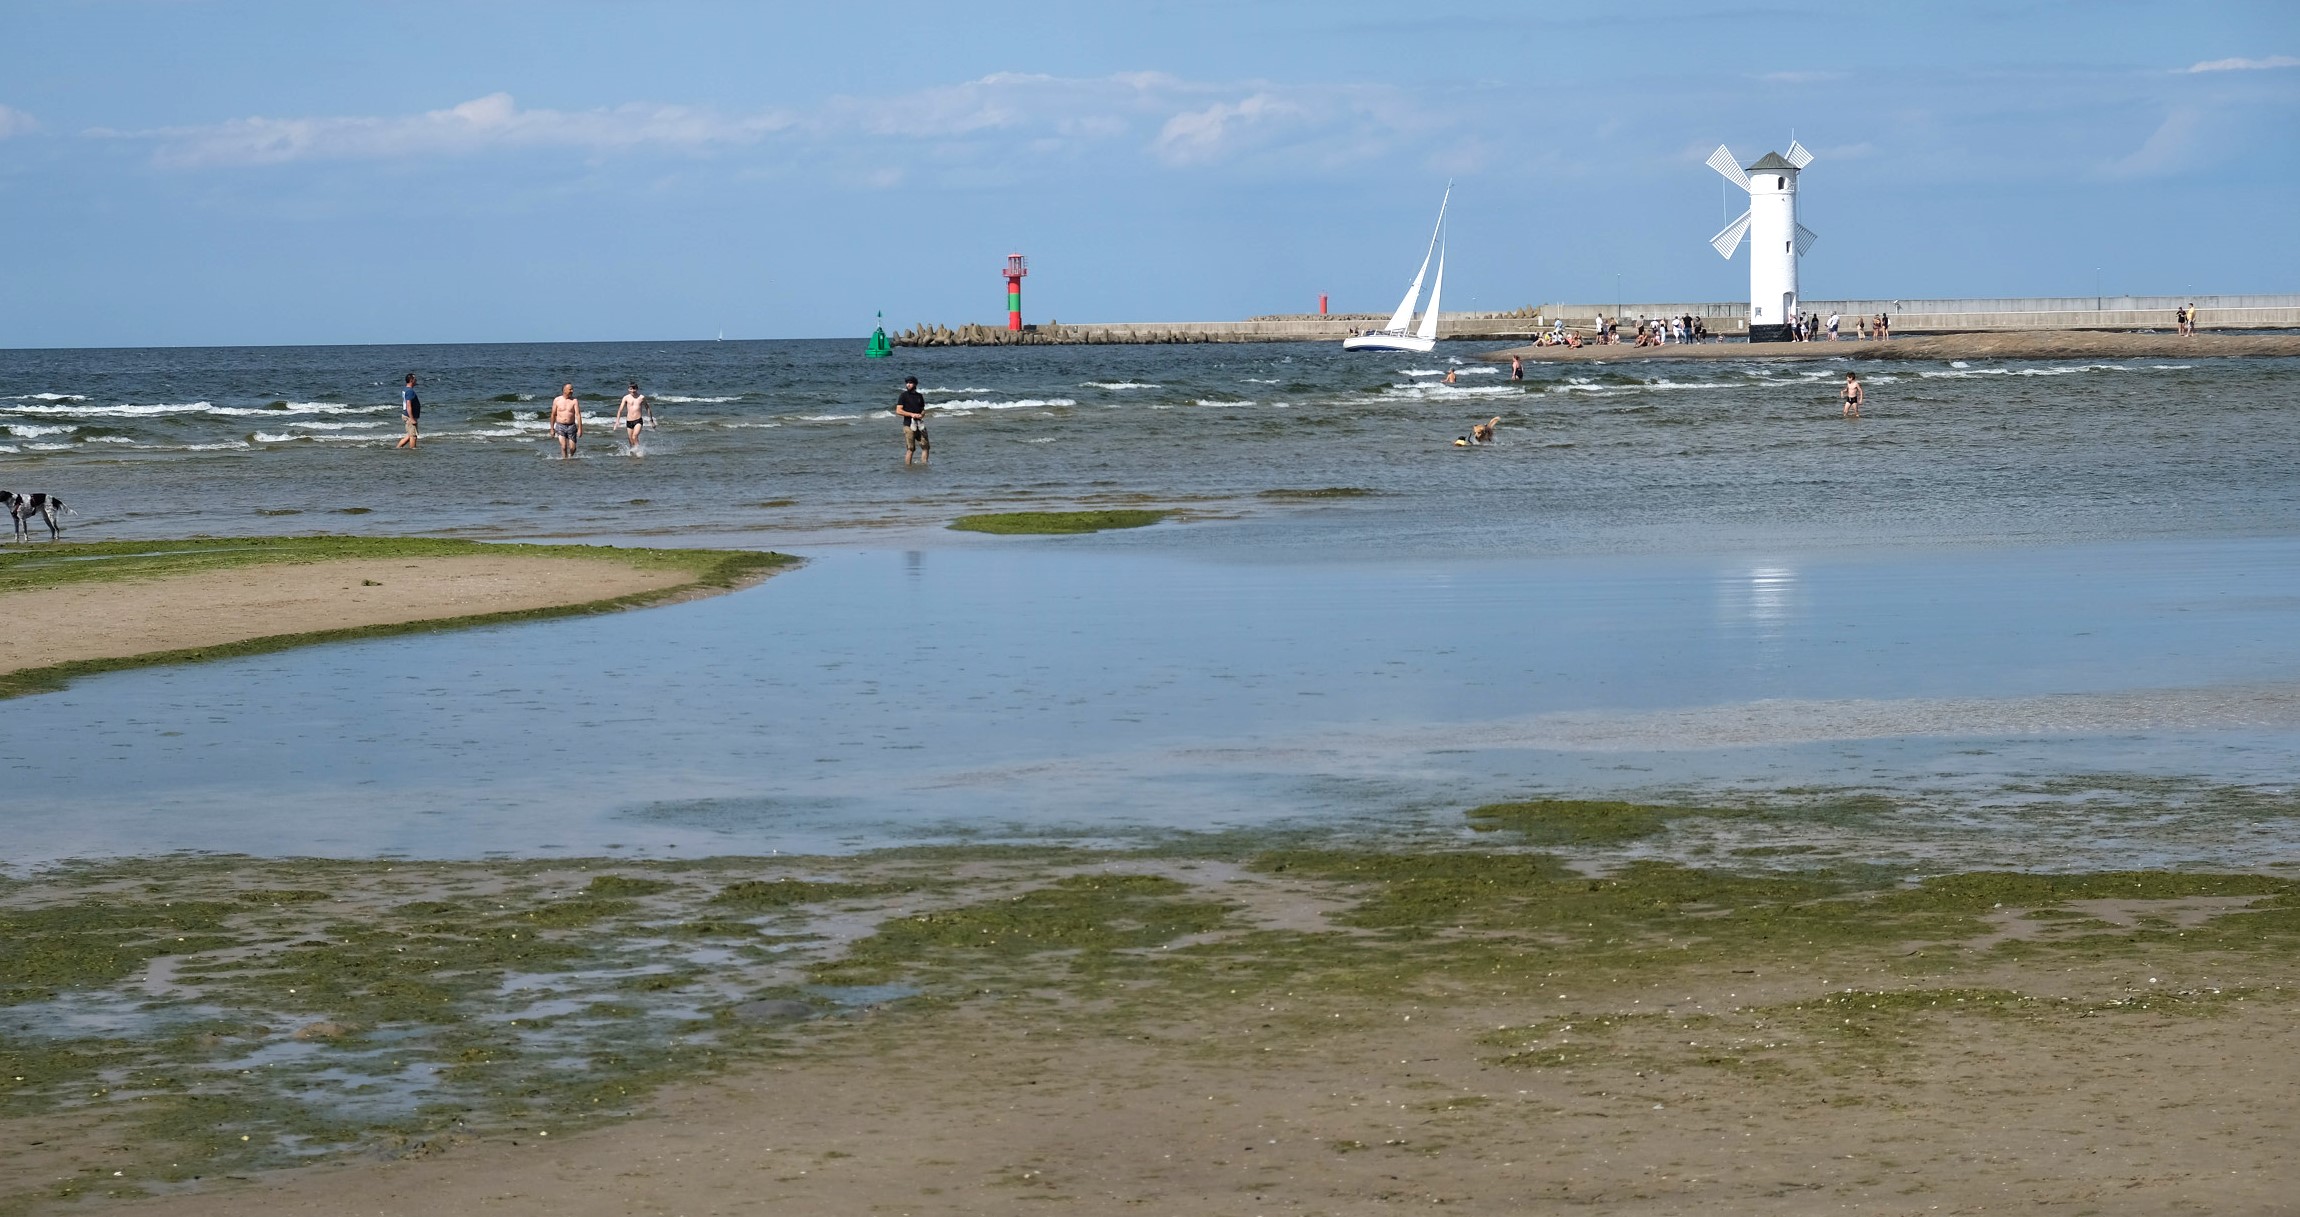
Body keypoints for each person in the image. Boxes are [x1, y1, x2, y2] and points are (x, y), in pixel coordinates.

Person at [894, 375, 929, 466]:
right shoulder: (903, 396)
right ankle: (908, 467)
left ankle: (924, 465)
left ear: (915, 384)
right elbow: (898, 410)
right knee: (911, 448)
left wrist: (921, 414)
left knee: (926, 447)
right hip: (908, 425)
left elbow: (922, 409)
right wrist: (912, 414)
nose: (908, 385)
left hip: (920, 424)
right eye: (907, 383)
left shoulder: (919, 396)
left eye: (910, 383)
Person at [616, 382, 651, 456]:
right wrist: (617, 422)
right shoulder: (626, 398)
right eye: (631, 389)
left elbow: (647, 407)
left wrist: (651, 420)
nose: (632, 390)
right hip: (629, 421)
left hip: (638, 420)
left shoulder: (641, 397)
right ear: (628, 389)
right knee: (630, 439)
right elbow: (620, 410)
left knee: (634, 436)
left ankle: (639, 452)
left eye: (634, 389)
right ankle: (632, 453)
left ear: (637, 389)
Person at [549, 383, 581, 458]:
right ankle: (565, 460)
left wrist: (580, 429)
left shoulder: (574, 401)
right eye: (570, 389)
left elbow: (578, 415)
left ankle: (570, 456)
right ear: (564, 390)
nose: (572, 391)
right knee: (563, 447)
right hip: (560, 425)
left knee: (572, 448)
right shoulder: (557, 400)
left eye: (572, 389)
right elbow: (553, 415)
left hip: (571, 426)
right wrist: (552, 429)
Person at [394, 373, 421, 449]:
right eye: (415, 379)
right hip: (409, 416)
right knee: (413, 436)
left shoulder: (406, 389)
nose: (416, 380)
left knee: (409, 435)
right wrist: (412, 419)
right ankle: (413, 451)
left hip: (407, 415)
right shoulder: (410, 391)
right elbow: (408, 405)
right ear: (411, 380)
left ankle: (398, 448)